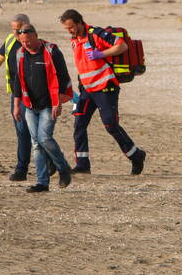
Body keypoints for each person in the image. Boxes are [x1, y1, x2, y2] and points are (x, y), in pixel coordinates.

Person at [59, 9, 146, 175]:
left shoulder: (96, 34)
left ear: (79, 22)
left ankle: (136, 155)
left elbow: (122, 45)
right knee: (79, 124)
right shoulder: (74, 39)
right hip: (87, 90)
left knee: (111, 125)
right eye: (66, 29)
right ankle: (83, 165)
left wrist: (100, 54)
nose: (69, 31)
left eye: (71, 27)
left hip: (105, 88)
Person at [0, 14, 53, 181]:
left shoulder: (36, 44)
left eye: (18, 29)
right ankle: (22, 169)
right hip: (17, 95)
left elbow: (50, 70)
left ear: (27, 26)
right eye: (13, 29)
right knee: (22, 131)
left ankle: (50, 161)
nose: (15, 32)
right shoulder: (10, 41)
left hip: (36, 95)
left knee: (38, 133)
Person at [9, 25, 74, 192]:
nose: (26, 44)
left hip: (49, 104)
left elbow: (63, 78)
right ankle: (42, 182)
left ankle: (63, 168)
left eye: (29, 41)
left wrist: (58, 102)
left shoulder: (52, 52)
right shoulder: (20, 53)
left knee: (44, 138)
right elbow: (18, 81)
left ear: (36, 36)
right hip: (29, 105)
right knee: (36, 143)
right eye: (23, 42)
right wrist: (16, 106)